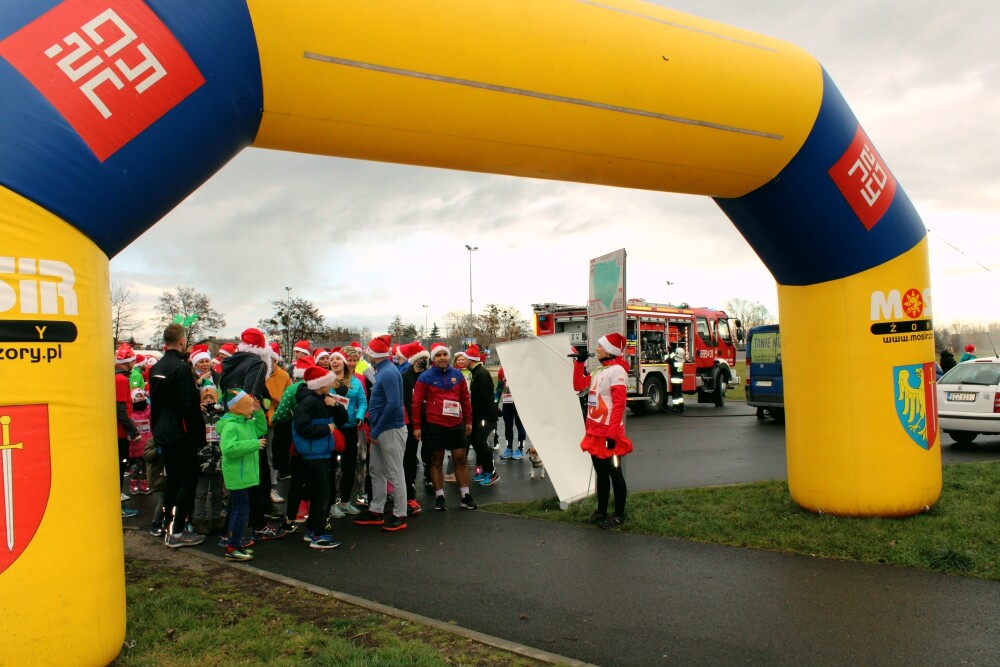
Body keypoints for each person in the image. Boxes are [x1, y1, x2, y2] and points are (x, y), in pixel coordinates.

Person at [149, 324, 207, 547]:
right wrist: (198, 437)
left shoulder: (158, 366)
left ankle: (166, 525)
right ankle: (178, 531)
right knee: (188, 481)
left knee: (172, 481)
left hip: (163, 431)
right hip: (181, 434)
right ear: (182, 340)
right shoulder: (181, 369)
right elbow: (189, 406)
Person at [572, 332, 633, 529]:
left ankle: (619, 514)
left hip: (609, 432)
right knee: (601, 473)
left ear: (609, 350)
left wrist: (612, 435)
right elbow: (578, 385)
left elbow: (619, 405)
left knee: (615, 473)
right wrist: (579, 364)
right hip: (595, 432)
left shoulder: (617, 372)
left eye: (600, 346)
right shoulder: (600, 370)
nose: (596, 348)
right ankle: (601, 512)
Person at [412, 343, 476, 511]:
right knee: (436, 459)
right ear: (433, 358)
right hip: (434, 424)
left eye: (445, 354)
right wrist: (417, 426)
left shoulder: (458, 375)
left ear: (449, 356)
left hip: (456, 423)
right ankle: (440, 496)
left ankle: (465, 495)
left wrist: (468, 421)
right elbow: (416, 403)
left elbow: (465, 399)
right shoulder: (425, 377)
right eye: (438, 355)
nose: (442, 358)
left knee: (460, 458)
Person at [354, 337, 409, 531]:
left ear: (372, 353)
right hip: (382, 429)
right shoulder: (383, 370)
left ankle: (400, 514)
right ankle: (376, 509)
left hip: (389, 429)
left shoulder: (387, 373)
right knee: (376, 470)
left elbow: (394, 404)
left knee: (394, 472)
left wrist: (376, 430)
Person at [293, 364, 349, 548]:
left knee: (320, 492)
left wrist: (337, 406)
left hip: (323, 452)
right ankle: (318, 534)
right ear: (319, 384)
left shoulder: (325, 398)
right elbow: (302, 428)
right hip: (313, 453)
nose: (331, 384)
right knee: (323, 492)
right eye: (328, 381)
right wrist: (325, 429)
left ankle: (312, 530)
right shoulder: (309, 402)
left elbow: (342, 419)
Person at [217, 388, 268, 561]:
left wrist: (259, 410)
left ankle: (234, 544)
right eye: (249, 406)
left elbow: (262, 427)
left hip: (245, 474)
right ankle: (232, 547)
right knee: (241, 511)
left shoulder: (247, 422)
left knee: (239, 510)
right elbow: (228, 449)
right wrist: (254, 444)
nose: (251, 409)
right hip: (237, 475)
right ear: (239, 408)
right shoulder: (231, 426)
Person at [328, 349, 366, 518]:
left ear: (344, 362)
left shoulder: (356, 382)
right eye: (332, 359)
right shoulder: (326, 381)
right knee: (331, 467)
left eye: (338, 359)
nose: (334, 361)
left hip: (350, 427)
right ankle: (330, 504)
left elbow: (363, 402)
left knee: (349, 465)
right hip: (332, 428)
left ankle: (345, 501)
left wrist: (359, 416)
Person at [399, 342, 430, 511]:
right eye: (421, 358)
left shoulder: (428, 375)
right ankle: (408, 495)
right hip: (411, 423)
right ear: (414, 360)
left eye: (426, 358)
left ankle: (431, 481)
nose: (424, 361)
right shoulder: (405, 377)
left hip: (429, 421)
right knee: (409, 458)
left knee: (430, 453)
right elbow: (405, 402)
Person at [114, 343, 142, 518]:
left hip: (119, 430)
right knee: (119, 469)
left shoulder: (118, 377)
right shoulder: (121, 380)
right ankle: (118, 508)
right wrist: (134, 432)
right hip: (120, 432)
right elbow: (121, 409)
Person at [465, 345, 499, 485]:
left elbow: (483, 398)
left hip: (485, 417)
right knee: (476, 442)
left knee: (481, 442)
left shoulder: (481, 374)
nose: (464, 361)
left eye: (466, 358)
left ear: (470, 360)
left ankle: (491, 472)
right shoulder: (476, 373)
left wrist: (477, 416)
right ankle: (486, 471)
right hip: (480, 416)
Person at [495, 367, 527, 469]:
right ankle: (509, 448)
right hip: (507, 402)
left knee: (519, 426)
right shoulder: (501, 370)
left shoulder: (521, 367)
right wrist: (495, 402)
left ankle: (520, 449)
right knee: (508, 426)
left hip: (519, 403)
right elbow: (499, 387)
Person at [666, 341, 685, 413]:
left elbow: (667, 359)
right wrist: (672, 350)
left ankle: (675, 408)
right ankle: (681, 407)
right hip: (680, 379)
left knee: (675, 394)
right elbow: (673, 357)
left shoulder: (674, 361)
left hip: (675, 380)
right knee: (679, 394)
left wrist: (669, 351)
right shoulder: (680, 362)